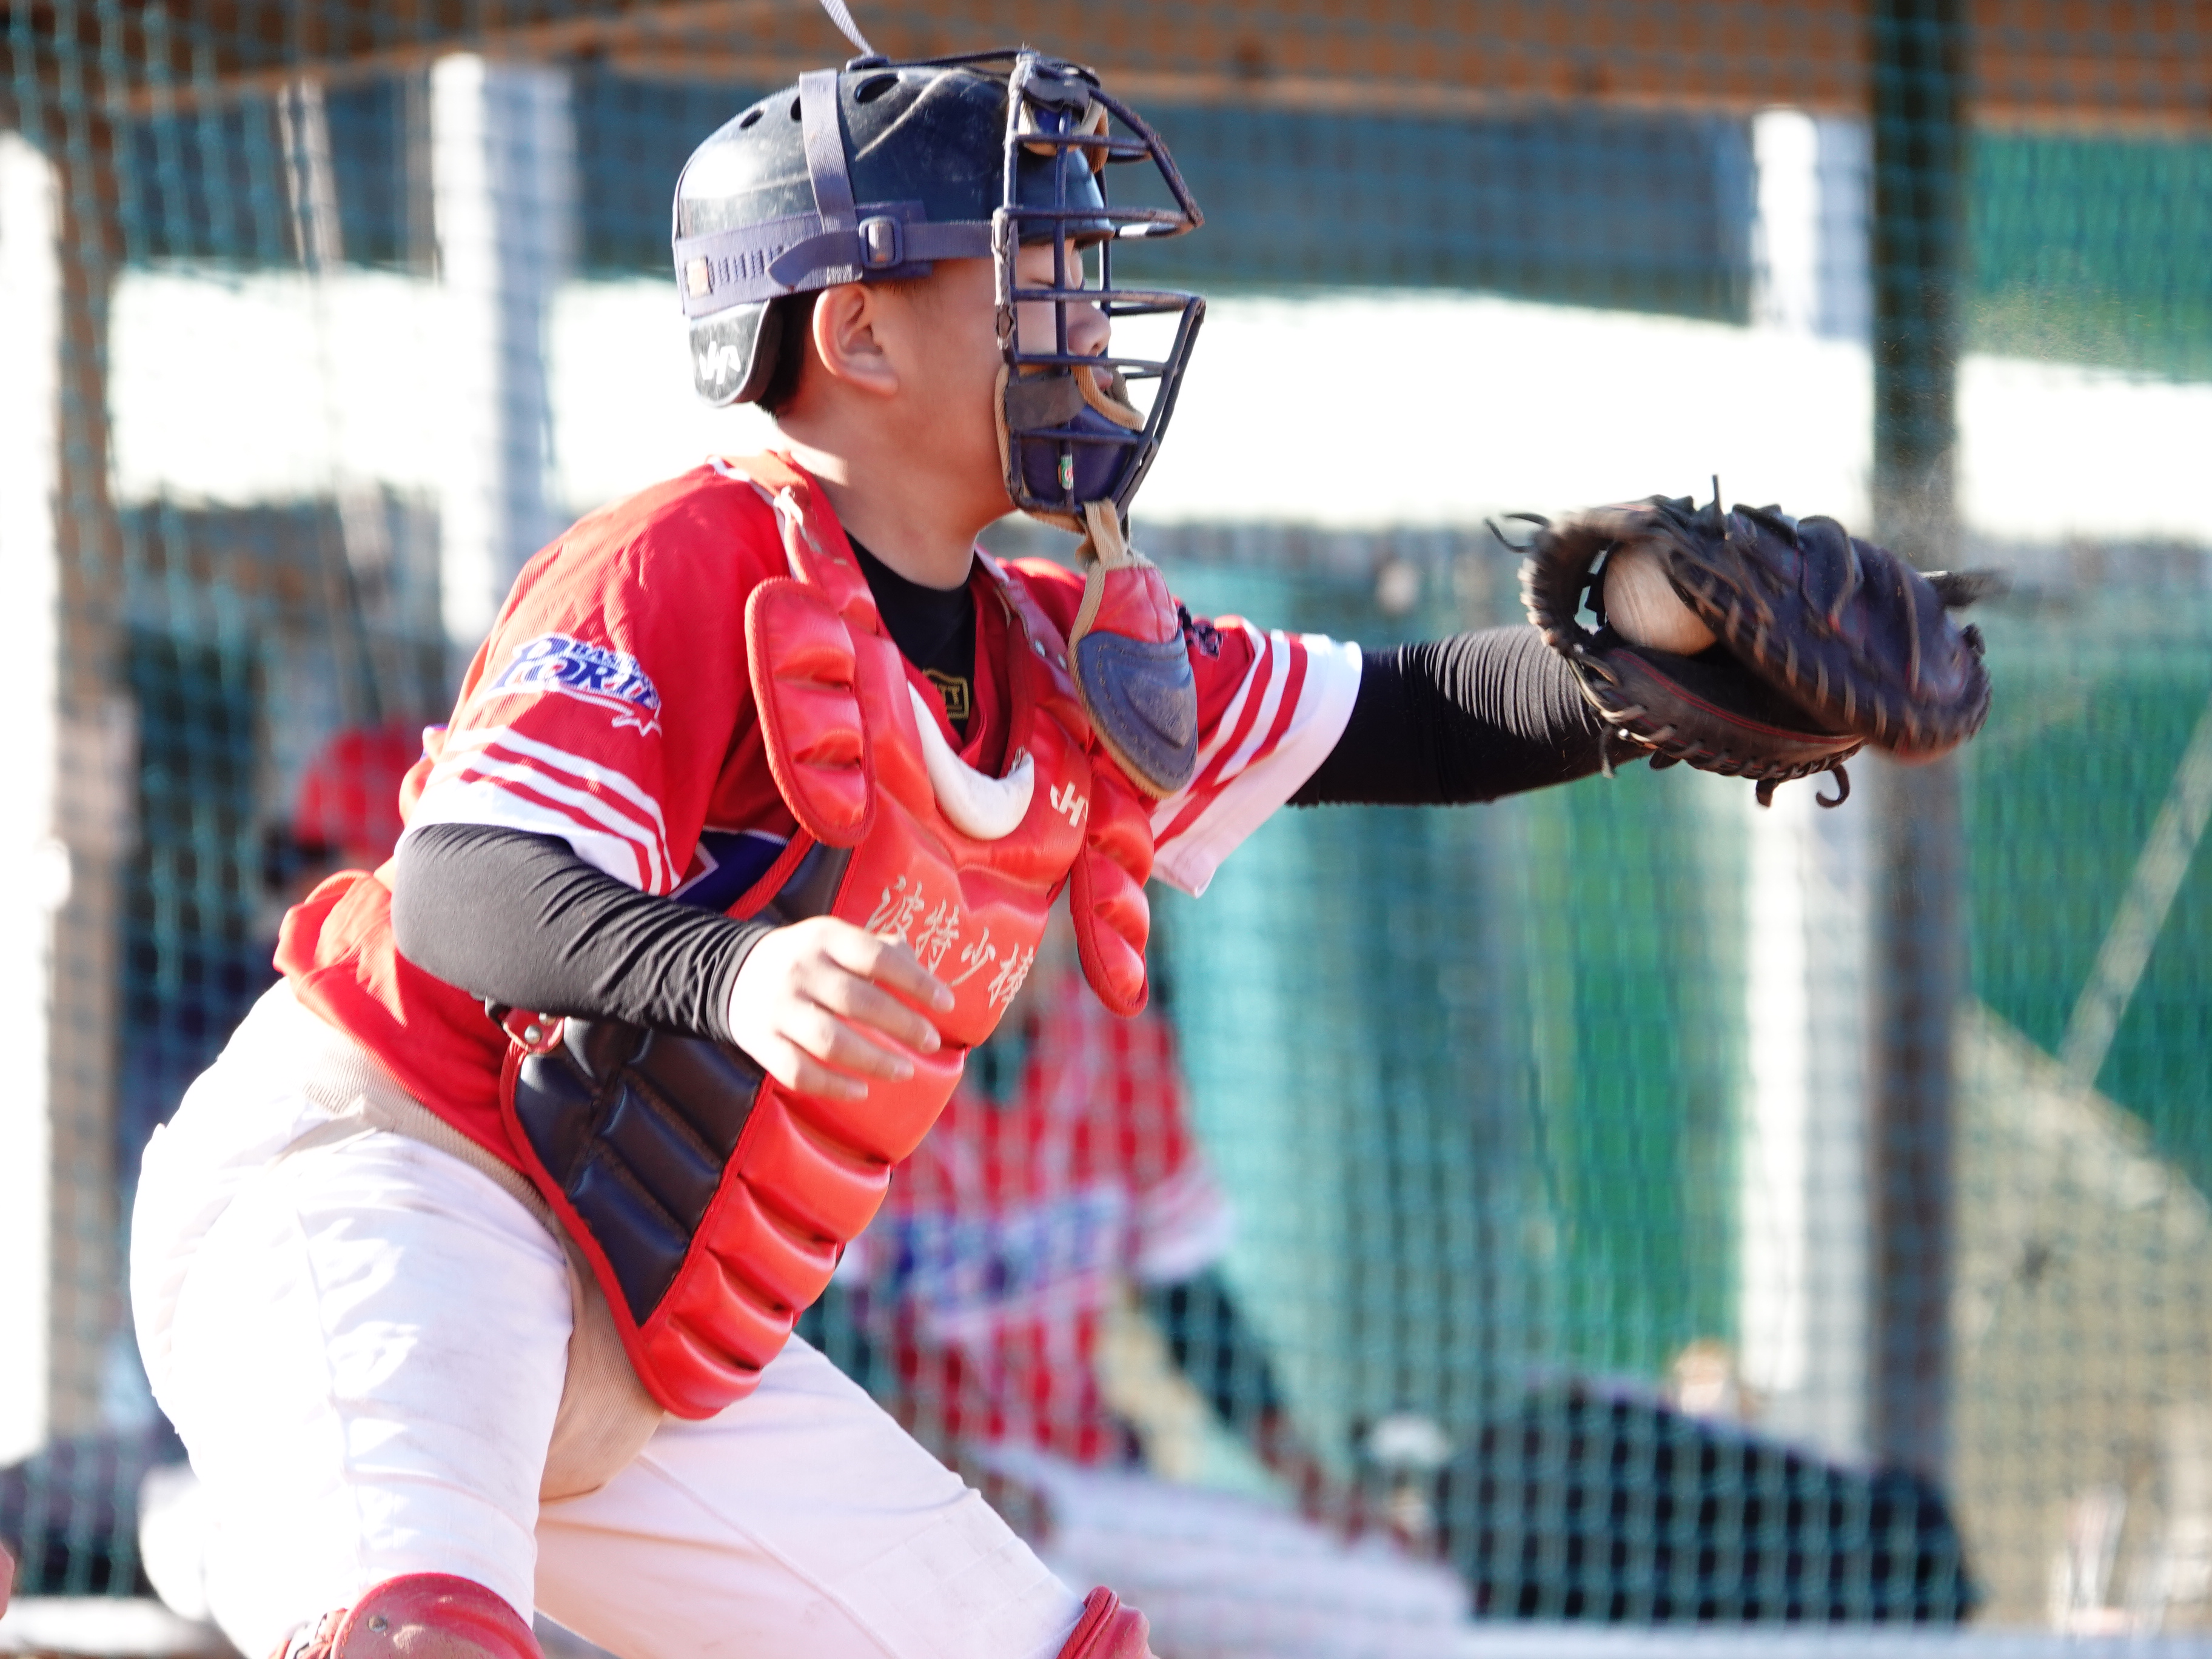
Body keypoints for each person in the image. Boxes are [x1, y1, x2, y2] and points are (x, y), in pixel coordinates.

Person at [128, 42, 1610, 1659]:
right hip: (389, 1181)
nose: (1083, 319)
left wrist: (1662, 661)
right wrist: (733, 970)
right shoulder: (688, 556)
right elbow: (460, 884)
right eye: (1033, 273)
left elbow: (1419, 721)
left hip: (646, 1328)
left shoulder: (1063, 655)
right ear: (855, 332)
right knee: (423, 1642)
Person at [842, 908, 1472, 1658]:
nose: (1015, 934)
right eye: (986, 903)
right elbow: (822, 1336)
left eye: (1037, 904)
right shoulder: (867, 1055)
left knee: (1412, 1603)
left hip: (1087, 1482)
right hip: (924, 1490)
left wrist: (1313, 1483)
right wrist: (950, 1471)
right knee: (1045, 1629)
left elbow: (1189, 1300)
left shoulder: (1118, 1047)